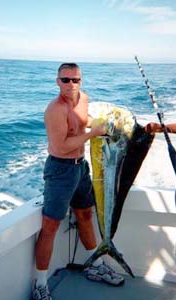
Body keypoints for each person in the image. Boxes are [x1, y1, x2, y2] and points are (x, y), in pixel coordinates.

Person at [32, 63, 124, 300]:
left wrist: (102, 127)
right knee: (50, 226)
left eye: (75, 80)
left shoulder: (84, 99)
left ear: (81, 81)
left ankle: (94, 264)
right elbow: (62, 146)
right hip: (60, 170)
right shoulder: (55, 109)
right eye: (65, 80)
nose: (70, 84)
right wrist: (94, 133)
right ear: (57, 81)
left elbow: (84, 121)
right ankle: (40, 284)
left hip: (81, 167)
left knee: (85, 215)